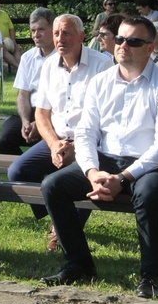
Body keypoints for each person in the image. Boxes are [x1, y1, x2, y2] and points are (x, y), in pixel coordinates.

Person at [40, 16, 158, 299]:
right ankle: (79, 263)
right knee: (52, 186)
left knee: (148, 194)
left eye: (133, 41)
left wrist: (123, 178)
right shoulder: (101, 81)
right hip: (106, 161)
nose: (123, 46)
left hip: (152, 164)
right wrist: (92, 172)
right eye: (120, 39)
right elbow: (85, 133)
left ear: (151, 47)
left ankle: (150, 275)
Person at [8, 14, 112, 250]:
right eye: (56, 33)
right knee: (18, 171)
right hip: (57, 139)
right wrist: (54, 144)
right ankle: (61, 218)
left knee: (78, 176)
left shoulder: (102, 65)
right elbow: (42, 114)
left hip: (92, 143)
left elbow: (106, 116)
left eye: (66, 33)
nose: (60, 38)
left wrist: (77, 148)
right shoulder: (49, 66)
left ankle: (62, 231)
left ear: (82, 36)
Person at [0, 8, 56, 156]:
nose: (36, 35)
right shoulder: (28, 57)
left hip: (55, 114)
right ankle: (27, 171)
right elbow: (23, 93)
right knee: (2, 140)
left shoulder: (63, 57)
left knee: (48, 140)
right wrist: (25, 122)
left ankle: (33, 167)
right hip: (32, 110)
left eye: (41, 29)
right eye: (33, 30)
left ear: (54, 29)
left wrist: (40, 122)